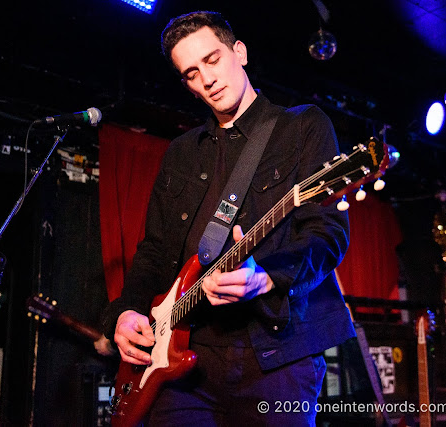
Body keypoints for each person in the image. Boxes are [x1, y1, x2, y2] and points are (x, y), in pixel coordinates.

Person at [102, 10, 355, 426]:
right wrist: (126, 311)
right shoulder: (181, 153)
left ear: (240, 52)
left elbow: (327, 235)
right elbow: (154, 250)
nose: (206, 78)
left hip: (276, 358)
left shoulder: (303, 127)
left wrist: (267, 277)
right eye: (191, 72)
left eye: (213, 59)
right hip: (183, 362)